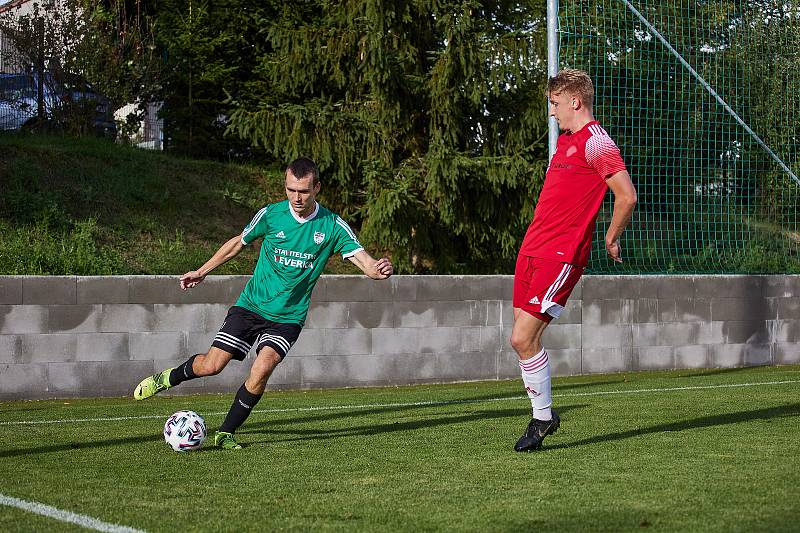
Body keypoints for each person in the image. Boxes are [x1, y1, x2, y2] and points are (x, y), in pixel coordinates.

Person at [133, 157, 393, 449]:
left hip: (288, 318)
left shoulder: (332, 226)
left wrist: (377, 270)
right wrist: (202, 271)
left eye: (304, 191)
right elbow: (237, 243)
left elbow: (366, 262)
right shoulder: (271, 215)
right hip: (251, 306)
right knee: (212, 365)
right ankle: (165, 378)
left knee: (263, 366)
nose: (296, 197)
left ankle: (226, 432)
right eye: (290, 189)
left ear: (317, 188)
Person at [511, 69, 637, 452]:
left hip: (560, 256)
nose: (552, 112)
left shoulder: (597, 142)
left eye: (555, 103)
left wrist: (611, 237)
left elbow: (627, 195)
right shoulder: (565, 143)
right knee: (522, 341)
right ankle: (544, 416)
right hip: (532, 249)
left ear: (575, 101)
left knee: (521, 338)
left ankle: (542, 418)